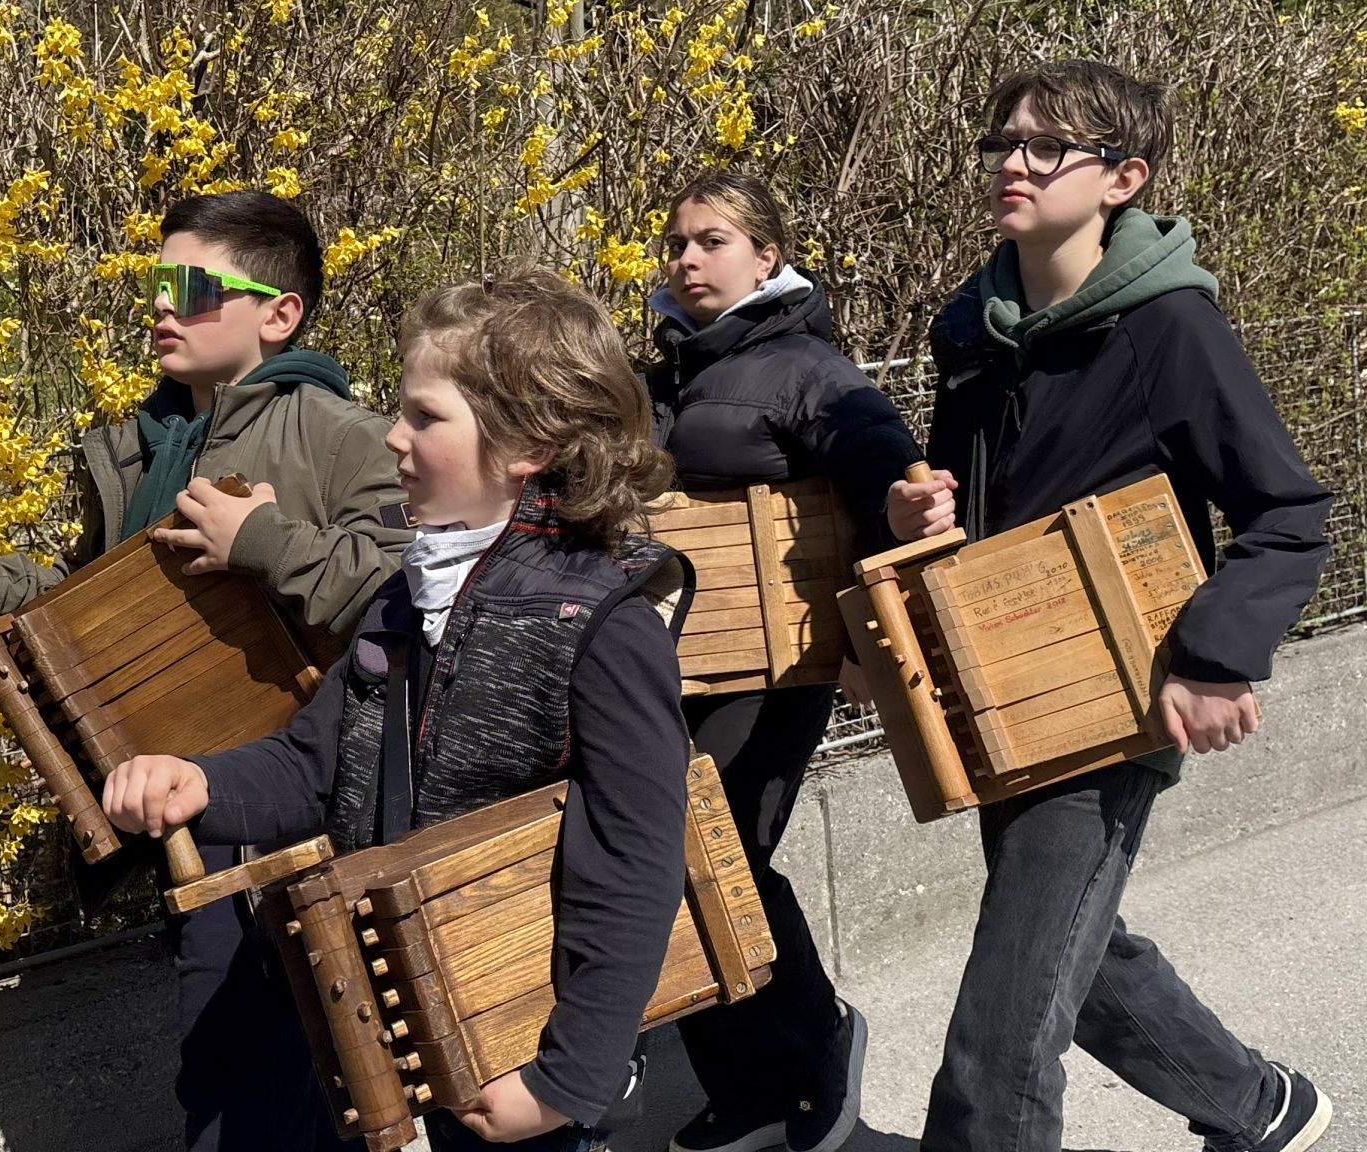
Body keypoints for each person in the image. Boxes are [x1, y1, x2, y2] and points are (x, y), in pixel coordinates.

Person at [0, 189, 412, 1151]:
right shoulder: (141, 445)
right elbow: (85, 593)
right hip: (175, 804)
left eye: (194, 287)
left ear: (279, 315)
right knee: (217, 1065)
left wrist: (268, 543)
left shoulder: (342, 435)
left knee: (299, 1072)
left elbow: (407, 593)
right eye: (157, 285)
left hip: (296, 806)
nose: (163, 306)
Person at [102, 269, 689, 1150]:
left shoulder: (602, 621)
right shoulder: (404, 596)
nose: (392, 437)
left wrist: (568, 1080)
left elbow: (637, 865)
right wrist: (197, 783)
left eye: (425, 416)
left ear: (527, 442)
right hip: (410, 1006)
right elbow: (313, 764)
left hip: (519, 1032)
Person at [887, 59, 1334, 1152]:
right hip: (1001, 695)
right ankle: (1257, 1105)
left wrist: (1214, 657)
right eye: (1000, 142)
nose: (1011, 162)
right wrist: (918, 518)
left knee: (999, 1035)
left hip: (1120, 694)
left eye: (1045, 146)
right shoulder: (970, 331)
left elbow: (1287, 513)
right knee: (1062, 961)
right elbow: (961, 511)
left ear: (1121, 178)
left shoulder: (1166, 328)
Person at [644, 172, 921, 1152]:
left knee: (721, 851)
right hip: (666, 659)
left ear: (766, 257)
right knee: (658, 860)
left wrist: (868, 627)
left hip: (776, 659)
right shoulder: (660, 374)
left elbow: (885, 471)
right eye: (674, 243)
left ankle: (815, 1045)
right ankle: (747, 1089)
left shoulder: (806, 365)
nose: (684, 259)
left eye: (708, 241)